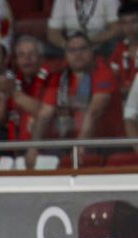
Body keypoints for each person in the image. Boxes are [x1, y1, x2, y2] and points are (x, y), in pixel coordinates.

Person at [26, 32, 119, 168]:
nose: (78, 54)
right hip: (70, 143)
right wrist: (33, 149)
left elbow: (94, 113)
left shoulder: (103, 71)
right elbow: (45, 114)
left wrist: (79, 149)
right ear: (66, 55)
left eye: (83, 49)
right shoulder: (61, 76)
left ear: (92, 50)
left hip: (105, 144)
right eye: (72, 50)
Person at [0, 35, 53, 141]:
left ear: (41, 58)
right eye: (21, 55)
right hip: (15, 146)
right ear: (16, 60)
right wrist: (2, 94)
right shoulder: (13, 79)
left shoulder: (52, 78)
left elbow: (43, 111)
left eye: (31, 54)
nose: (27, 58)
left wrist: (13, 92)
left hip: (46, 146)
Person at [47, 0, 120, 56]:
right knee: (42, 49)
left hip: (99, 44)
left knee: (115, 46)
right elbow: (53, 31)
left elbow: (116, 28)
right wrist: (68, 45)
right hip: (70, 45)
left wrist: (89, 42)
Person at [110, 2, 138, 95]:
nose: (129, 27)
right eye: (125, 23)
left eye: (134, 21)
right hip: (124, 98)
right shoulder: (120, 48)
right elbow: (112, 76)